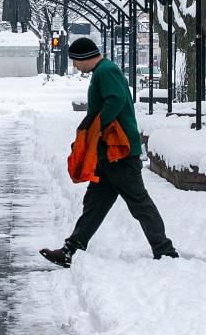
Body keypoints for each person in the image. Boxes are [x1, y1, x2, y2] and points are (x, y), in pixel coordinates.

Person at [40, 37, 178, 267]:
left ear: (85, 58)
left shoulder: (105, 71)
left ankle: (166, 252)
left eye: (75, 61)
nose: (75, 66)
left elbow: (116, 99)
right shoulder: (103, 71)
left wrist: (97, 127)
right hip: (109, 153)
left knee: (139, 203)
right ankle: (70, 250)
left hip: (119, 153)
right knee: (94, 204)